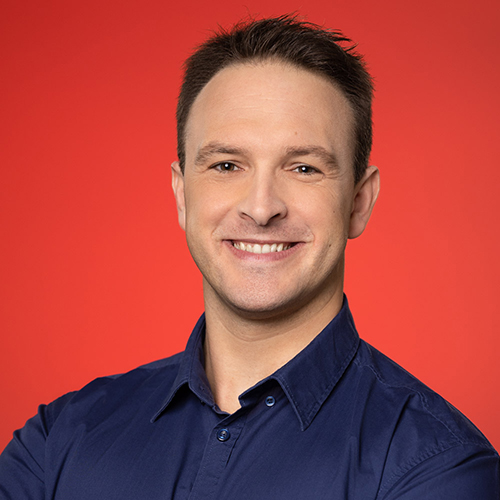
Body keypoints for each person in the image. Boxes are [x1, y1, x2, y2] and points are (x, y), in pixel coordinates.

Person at [0, 14, 498, 499]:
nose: (261, 209)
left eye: (303, 168)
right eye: (226, 165)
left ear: (358, 202)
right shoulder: (56, 442)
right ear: (181, 195)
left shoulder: (438, 468)